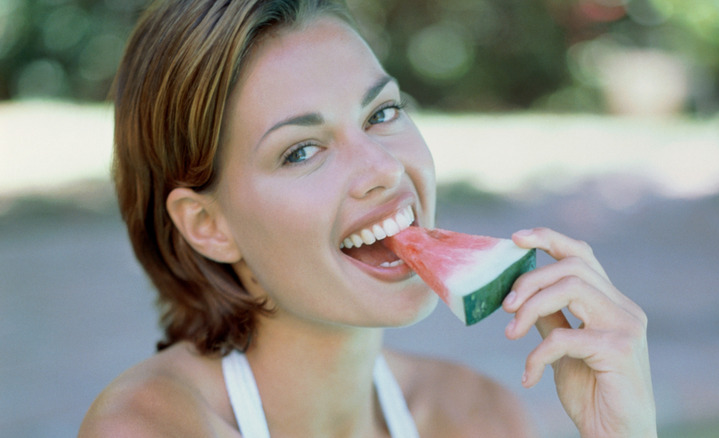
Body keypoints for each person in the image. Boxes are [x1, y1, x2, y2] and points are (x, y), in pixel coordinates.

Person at [79, 0, 657, 436]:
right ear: (208, 224)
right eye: (302, 150)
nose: (382, 168)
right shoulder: (150, 427)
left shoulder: (476, 415)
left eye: (382, 112)